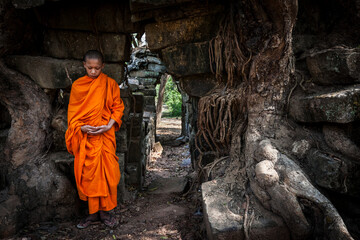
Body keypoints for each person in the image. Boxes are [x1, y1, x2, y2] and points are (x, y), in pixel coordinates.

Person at [65, 50, 124, 228]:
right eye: (90, 68)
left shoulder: (110, 84)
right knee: (87, 175)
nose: (93, 71)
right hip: (86, 139)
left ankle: (106, 213)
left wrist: (108, 125)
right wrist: (81, 127)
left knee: (108, 174)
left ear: (103, 66)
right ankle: (92, 214)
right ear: (84, 65)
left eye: (97, 68)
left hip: (105, 136)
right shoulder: (77, 86)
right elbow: (72, 115)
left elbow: (118, 107)